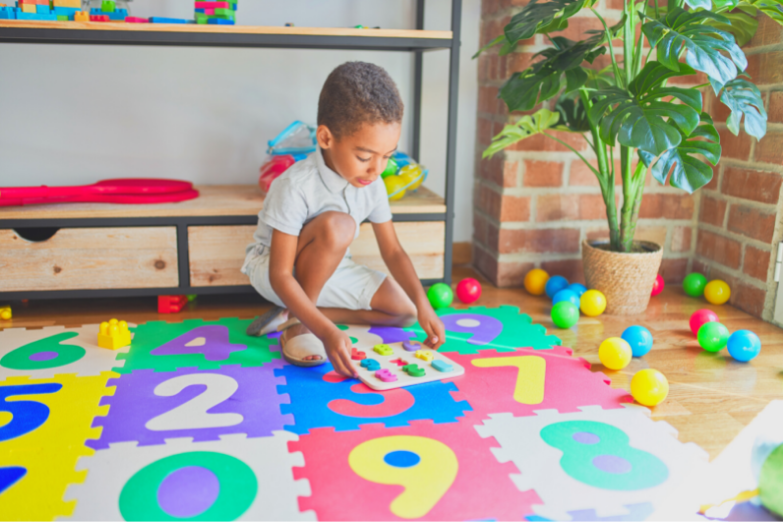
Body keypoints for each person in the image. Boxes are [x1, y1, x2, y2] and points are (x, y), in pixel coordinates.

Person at [241, 61, 445, 377]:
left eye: (387, 156)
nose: (376, 169)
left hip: (331, 266)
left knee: (405, 312)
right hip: (273, 268)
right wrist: (325, 332)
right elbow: (281, 274)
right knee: (340, 226)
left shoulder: (372, 182)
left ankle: (301, 313)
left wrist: (423, 304)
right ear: (325, 138)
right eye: (364, 157)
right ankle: (299, 324)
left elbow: (392, 251)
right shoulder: (296, 185)